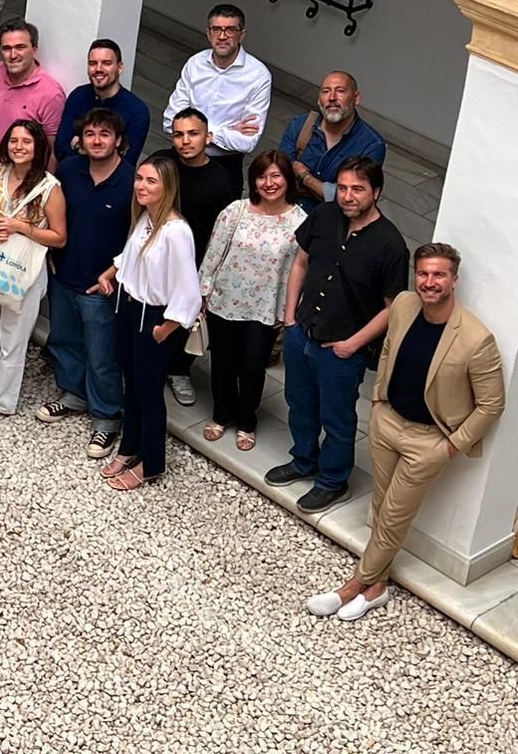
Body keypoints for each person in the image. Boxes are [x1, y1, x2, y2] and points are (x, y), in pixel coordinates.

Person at [306, 243, 505, 623]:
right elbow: (387, 351)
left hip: (429, 442)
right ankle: (378, 588)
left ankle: (352, 585)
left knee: (394, 515)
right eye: (424, 274)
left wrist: (450, 446)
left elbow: (492, 404)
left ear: (454, 281)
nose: (429, 282)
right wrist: (379, 400)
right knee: (381, 506)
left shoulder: (476, 339)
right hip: (387, 423)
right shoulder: (403, 305)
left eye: (439, 275)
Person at [267, 156, 409, 513]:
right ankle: (303, 460)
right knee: (299, 403)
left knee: (338, 418)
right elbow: (301, 262)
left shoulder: (391, 245)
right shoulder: (324, 215)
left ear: (376, 192)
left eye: (357, 189)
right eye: (343, 187)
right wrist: (290, 317)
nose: (348, 196)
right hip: (303, 332)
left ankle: (333, 481)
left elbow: (394, 307)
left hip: (342, 348)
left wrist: (352, 345)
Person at [92, 155, 201, 491]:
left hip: (153, 320)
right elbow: (130, 255)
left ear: (167, 186)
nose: (141, 185)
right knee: (133, 387)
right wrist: (110, 273)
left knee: (150, 395)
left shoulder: (176, 231)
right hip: (128, 310)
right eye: (139, 178)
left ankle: (152, 462)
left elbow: (189, 291)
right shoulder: (145, 218)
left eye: (151, 181)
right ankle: (128, 448)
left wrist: (164, 329)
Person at [37, 108, 134, 460]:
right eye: (91, 133)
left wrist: (112, 273)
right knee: (64, 340)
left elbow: (138, 238)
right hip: (63, 275)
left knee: (102, 354)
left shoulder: (131, 182)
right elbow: (52, 216)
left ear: (118, 141)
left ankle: (107, 417)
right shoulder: (68, 171)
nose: (96, 140)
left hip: (101, 286)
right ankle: (73, 395)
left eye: (104, 134)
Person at [0, 119, 67, 415]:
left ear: (38, 147)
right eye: (14, 140)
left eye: (26, 142)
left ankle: (0, 402)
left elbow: (59, 237)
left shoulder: (49, 188)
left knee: (13, 339)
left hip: (25, 270)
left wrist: (21, 227)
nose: (19, 147)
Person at [199, 150, 305, 450]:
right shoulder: (236, 211)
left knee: (253, 366)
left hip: (265, 307)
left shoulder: (300, 221)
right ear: (253, 180)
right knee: (222, 362)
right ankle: (221, 414)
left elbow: (296, 270)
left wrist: (289, 309)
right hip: (224, 300)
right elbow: (214, 253)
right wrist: (203, 290)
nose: (269, 183)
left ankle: (246, 420)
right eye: (262, 176)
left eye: (276, 176)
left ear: (287, 179)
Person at [162, 108, 239, 405]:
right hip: (157, 259)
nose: (185, 141)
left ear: (207, 137)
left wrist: (208, 274)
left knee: (184, 322)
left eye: (193, 134)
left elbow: (223, 232)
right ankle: (148, 368)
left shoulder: (221, 181)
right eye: (179, 134)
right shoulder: (162, 162)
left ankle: (179, 372)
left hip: (195, 265)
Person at [162, 3, 271, 185]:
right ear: (208, 33)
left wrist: (193, 131)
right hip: (181, 158)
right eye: (216, 29)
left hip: (225, 166)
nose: (222, 36)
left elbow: (247, 142)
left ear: (241, 35)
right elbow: (169, 121)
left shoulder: (259, 76)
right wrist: (221, 132)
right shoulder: (195, 64)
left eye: (230, 30)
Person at [278, 71, 388, 213]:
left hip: (330, 225)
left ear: (356, 98)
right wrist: (326, 191)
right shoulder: (300, 125)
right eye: (325, 91)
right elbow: (279, 174)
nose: (332, 98)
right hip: (285, 212)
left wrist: (304, 177)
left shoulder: (371, 145)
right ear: (319, 99)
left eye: (340, 91)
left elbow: (351, 200)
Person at [0, 19, 66, 168]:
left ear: (34, 49)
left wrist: (42, 188)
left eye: (20, 47)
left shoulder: (50, 94)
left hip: (19, 181)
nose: (13, 55)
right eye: (6, 48)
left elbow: (54, 151)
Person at [54, 39, 151, 168]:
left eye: (106, 63)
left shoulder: (137, 111)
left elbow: (125, 164)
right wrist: (104, 154)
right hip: (68, 178)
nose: (98, 69)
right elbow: (60, 149)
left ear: (120, 67)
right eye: (93, 63)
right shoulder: (78, 96)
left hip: (109, 186)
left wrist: (79, 146)